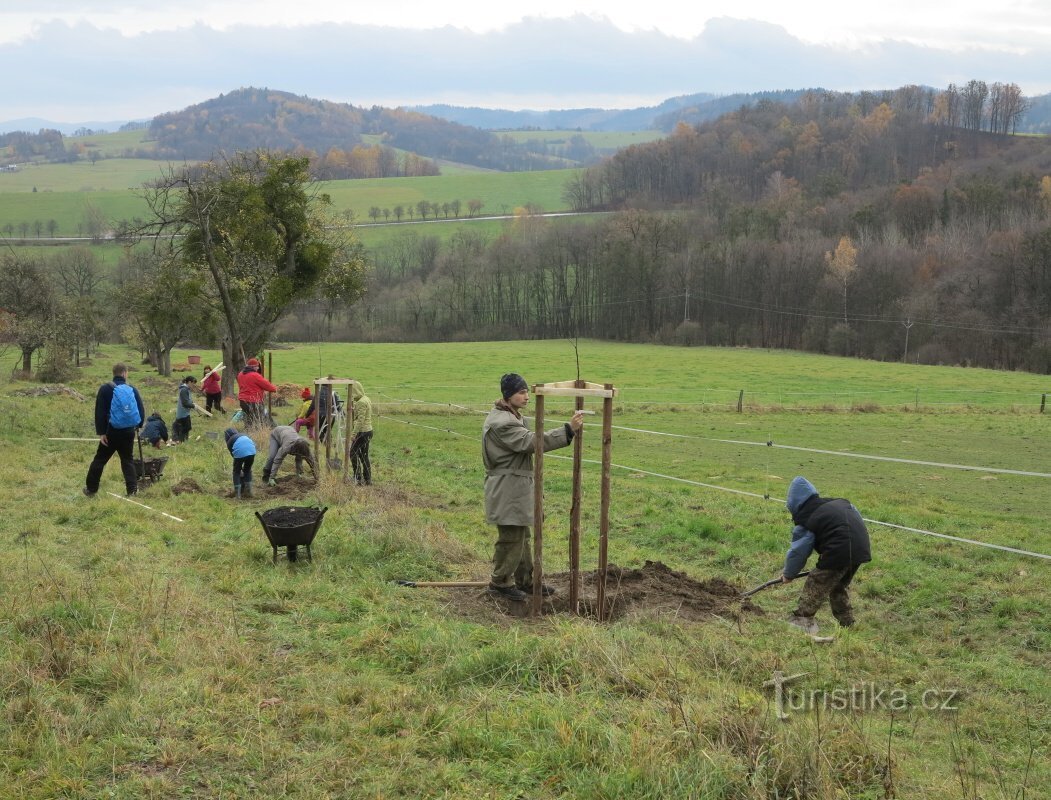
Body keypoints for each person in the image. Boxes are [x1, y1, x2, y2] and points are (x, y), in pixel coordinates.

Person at [483, 373, 585, 602]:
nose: (527, 397)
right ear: (508, 395)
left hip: (514, 486)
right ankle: (500, 583)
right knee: (511, 537)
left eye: (527, 392)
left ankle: (525, 580)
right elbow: (531, 442)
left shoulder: (511, 416)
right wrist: (568, 429)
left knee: (522, 535)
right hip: (507, 488)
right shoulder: (503, 422)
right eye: (521, 392)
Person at [781, 476, 872, 634]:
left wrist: (788, 574)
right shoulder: (837, 502)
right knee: (837, 585)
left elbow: (799, 551)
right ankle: (847, 622)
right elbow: (853, 516)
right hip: (860, 547)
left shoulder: (807, 516)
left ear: (794, 503)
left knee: (816, 581)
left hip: (839, 549)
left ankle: (802, 621)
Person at [84, 363, 145, 497]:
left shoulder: (105, 389)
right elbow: (140, 410)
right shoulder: (132, 389)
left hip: (111, 432)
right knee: (127, 460)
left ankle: (91, 489)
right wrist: (138, 426)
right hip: (128, 431)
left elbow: (100, 412)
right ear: (124, 373)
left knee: (100, 460)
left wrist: (101, 432)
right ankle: (132, 490)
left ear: (114, 373)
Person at [236, 357, 277, 429]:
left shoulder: (240, 374)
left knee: (248, 418)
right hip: (254, 401)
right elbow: (268, 386)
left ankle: (248, 431)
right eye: (257, 366)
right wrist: (274, 389)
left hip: (242, 401)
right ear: (254, 367)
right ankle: (263, 431)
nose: (258, 368)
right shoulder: (255, 375)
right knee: (260, 419)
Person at [349, 381, 373, 485]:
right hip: (368, 431)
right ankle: (367, 479)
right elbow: (363, 413)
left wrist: (353, 434)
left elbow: (360, 420)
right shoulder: (366, 399)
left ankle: (357, 477)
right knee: (364, 455)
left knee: (353, 453)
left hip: (362, 432)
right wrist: (354, 409)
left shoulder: (361, 402)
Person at [224, 427, 257, 499]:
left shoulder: (229, 441)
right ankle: (249, 492)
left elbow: (235, 456)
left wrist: (240, 470)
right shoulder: (243, 435)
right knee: (247, 470)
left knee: (236, 472)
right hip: (252, 451)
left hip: (240, 452)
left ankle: (238, 495)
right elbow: (252, 444)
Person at [172, 375, 198, 443]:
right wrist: (193, 406)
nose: (194, 385)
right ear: (189, 382)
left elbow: (188, 400)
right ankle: (181, 441)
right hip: (182, 414)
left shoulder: (187, 389)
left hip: (185, 413)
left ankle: (183, 441)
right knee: (184, 429)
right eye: (193, 383)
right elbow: (185, 403)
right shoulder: (184, 390)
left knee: (187, 427)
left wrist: (192, 403)